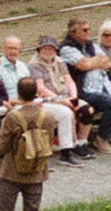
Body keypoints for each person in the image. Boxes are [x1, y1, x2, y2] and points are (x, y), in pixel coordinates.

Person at [0, 77, 57, 211]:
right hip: (36, 173)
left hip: (11, 173)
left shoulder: (13, 117)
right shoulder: (48, 117)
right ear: (37, 94)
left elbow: (4, 146)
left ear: (19, 94)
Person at [26, 36, 86, 166]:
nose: (48, 50)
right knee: (66, 113)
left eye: (51, 48)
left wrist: (73, 98)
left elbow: (69, 81)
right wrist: (62, 100)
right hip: (47, 100)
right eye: (45, 47)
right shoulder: (34, 65)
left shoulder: (59, 62)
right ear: (39, 49)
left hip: (65, 97)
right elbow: (40, 89)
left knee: (87, 109)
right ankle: (67, 151)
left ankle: (81, 143)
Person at [59, 18, 111, 152]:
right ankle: (101, 138)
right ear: (73, 32)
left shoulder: (89, 44)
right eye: (84, 30)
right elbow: (83, 65)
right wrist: (93, 62)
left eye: (89, 29)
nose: (88, 32)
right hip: (85, 90)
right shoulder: (66, 47)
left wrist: (90, 62)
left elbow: (107, 61)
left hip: (103, 85)